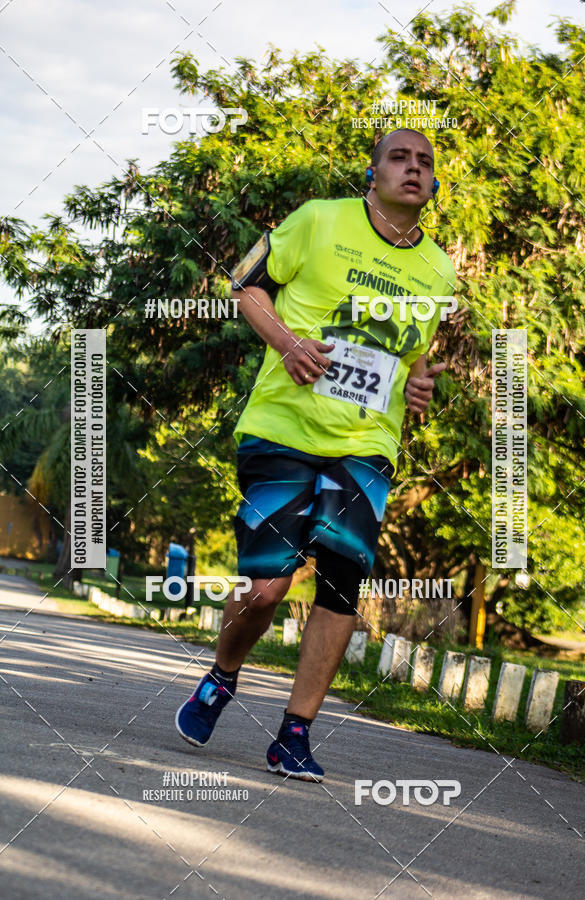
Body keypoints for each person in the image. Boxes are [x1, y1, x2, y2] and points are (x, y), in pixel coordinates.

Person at [175, 128, 456, 782]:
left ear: (434, 184)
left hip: (366, 444)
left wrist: (419, 382)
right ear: (373, 173)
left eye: (424, 162)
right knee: (266, 589)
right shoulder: (318, 220)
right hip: (283, 426)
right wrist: (288, 343)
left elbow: (414, 357)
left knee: (340, 579)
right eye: (399, 157)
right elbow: (246, 284)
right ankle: (223, 676)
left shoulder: (439, 268)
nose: (412, 169)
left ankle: (294, 733)